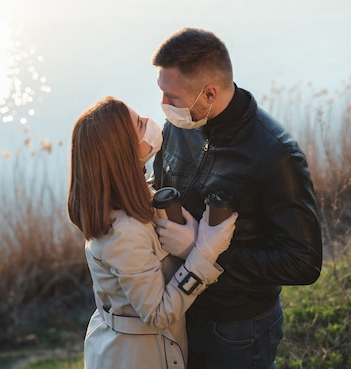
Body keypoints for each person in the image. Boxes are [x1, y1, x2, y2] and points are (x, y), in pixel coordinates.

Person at [151, 27, 323, 369]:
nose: (163, 105)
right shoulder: (180, 126)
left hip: (237, 327)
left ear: (208, 94)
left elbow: (303, 262)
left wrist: (201, 252)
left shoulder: (275, 155)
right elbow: (160, 183)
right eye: (162, 93)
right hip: (180, 309)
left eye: (172, 97)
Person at [67, 96, 239, 369]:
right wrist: (205, 251)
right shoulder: (123, 234)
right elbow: (158, 313)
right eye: (140, 123)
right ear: (124, 152)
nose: (150, 121)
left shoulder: (129, 198)